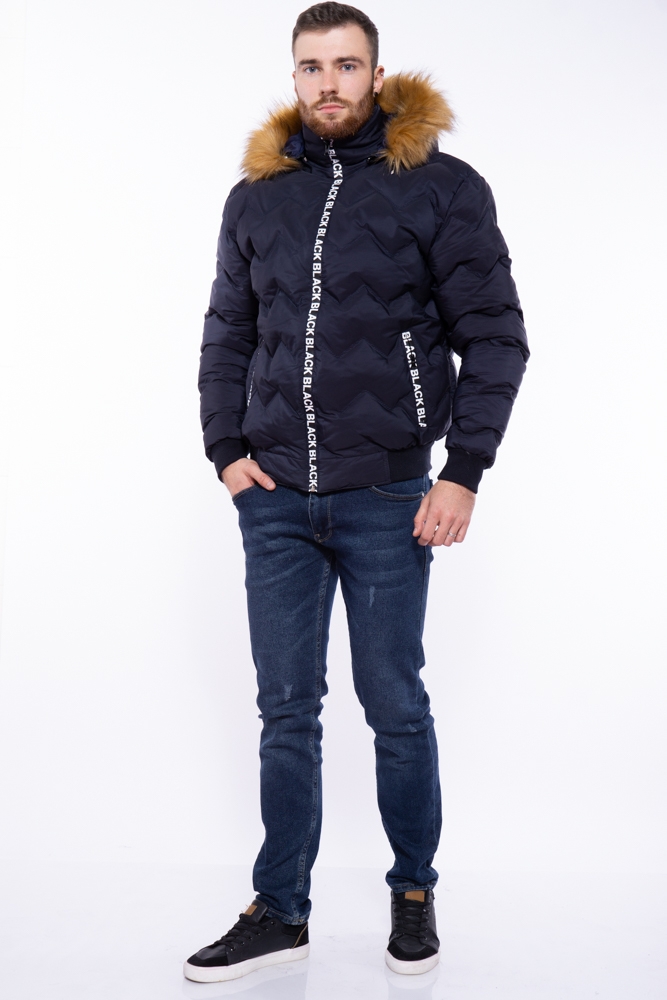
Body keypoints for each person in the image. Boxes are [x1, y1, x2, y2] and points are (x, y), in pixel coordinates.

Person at [184, 1, 528, 984]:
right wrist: (224, 448)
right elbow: (227, 328)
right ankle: (280, 908)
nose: (327, 82)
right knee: (285, 711)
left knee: (395, 705)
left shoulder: (442, 189)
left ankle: (412, 891)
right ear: (292, 77)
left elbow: (493, 335)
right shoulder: (256, 198)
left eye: (345, 65)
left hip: (388, 496)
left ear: (376, 76)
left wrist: (462, 471)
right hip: (275, 499)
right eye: (310, 66)